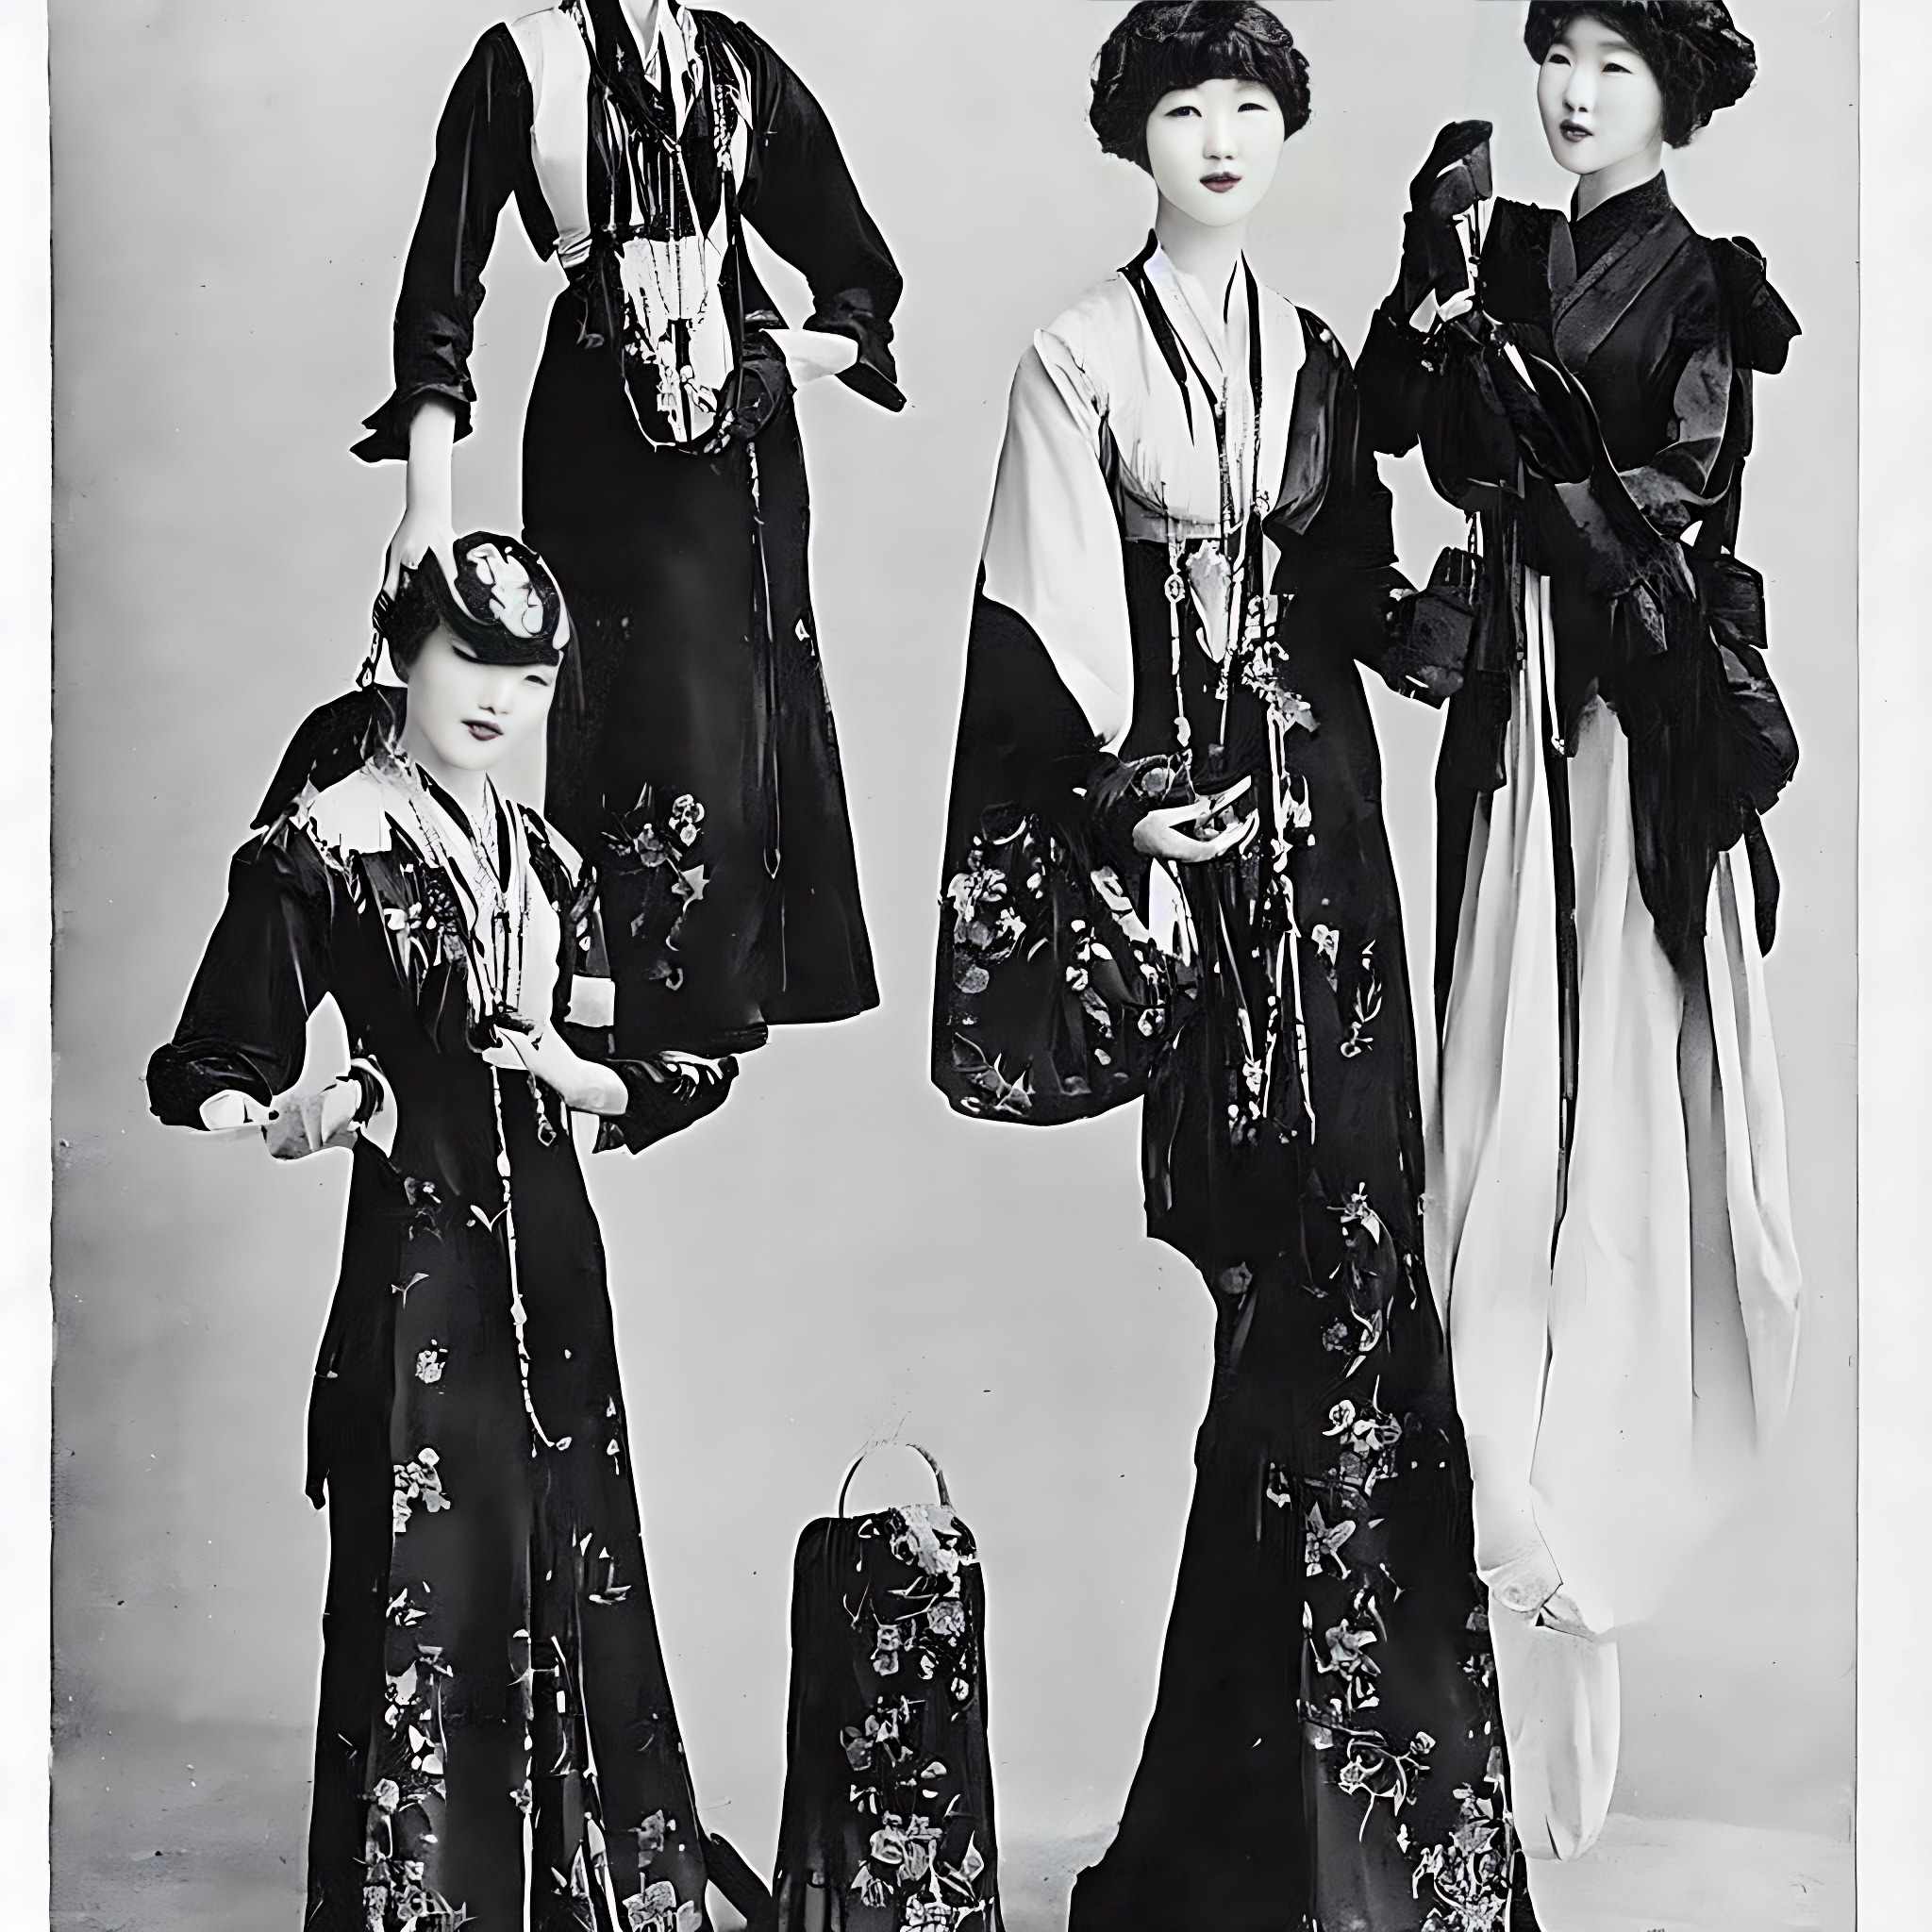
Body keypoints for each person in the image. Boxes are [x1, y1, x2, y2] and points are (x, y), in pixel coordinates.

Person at [934, 8, 1534, 1927]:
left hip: (1330, 865)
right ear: (1131, 133)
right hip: (1199, 879)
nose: (1217, 136)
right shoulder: (1072, 358)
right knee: (1279, 1306)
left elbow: (1359, 605)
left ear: (1283, 134)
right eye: (1183, 106)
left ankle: (1351, 1840)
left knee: (1365, 1298)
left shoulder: (1311, 356)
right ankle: (1260, 1842)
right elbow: (1036, 647)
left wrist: (1491, 563)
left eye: (1248, 108)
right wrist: (1123, 818)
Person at [1357, 0, 1803, 1860]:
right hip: (1510, 726)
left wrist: (1535, 488)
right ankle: (1500, 1544)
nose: (1570, 92)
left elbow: (1680, 500)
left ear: (1671, 93)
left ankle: (1585, 1515)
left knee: (1602, 1098)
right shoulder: (1508, 248)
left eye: (1612, 67)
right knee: (1494, 1106)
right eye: (1558, 55)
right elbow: (1395, 421)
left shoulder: (1698, 283)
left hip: (1618, 725)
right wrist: (1428, 295)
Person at [148, 534, 741, 1932]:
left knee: (579, 1583)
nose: (495, 697)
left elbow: (658, 1061)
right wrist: (310, 1109)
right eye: (470, 659)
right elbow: (213, 1061)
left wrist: (586, 1079)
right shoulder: (329, 844)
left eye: (527, 675)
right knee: (430, 1596)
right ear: (402, 653)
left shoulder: (552, 864)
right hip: (419, 1287)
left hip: (561, 1284)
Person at [359, 0, 905, 1062]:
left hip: (737, 442)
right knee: (626, 705)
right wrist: (425, 498)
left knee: (729, 707)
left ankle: (708, 1014)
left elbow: (856, 274)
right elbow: (440, 285)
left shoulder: (736, 67)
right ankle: (627, 1018)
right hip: (595, 433)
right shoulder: (523, 62)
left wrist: (792, 359)